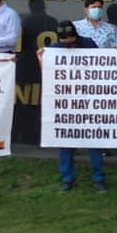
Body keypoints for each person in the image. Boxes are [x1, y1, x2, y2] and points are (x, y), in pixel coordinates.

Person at [39, 21, 107, 193]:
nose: (68, 46)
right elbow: (48, 73)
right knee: (65, 141)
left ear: (76, 36)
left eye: (71, 42)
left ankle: (98, 179)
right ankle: (67, 179)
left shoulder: (88, 44)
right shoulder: (54, 48)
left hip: (89, 99)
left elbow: (106, 65)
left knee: (93, 140)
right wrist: (41, 58)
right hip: (66, 102)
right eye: (65, 43)